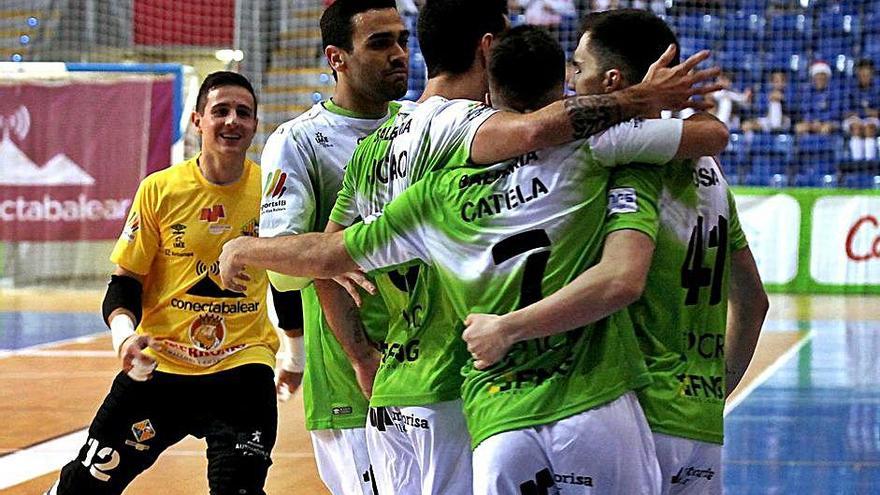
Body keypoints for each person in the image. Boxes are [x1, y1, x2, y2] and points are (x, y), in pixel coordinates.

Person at [218, 18, 730, 495]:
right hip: (590, 398)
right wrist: (648, 99)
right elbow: (711, 136)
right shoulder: (597, 151)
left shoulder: (435, 191)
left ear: (494, 82)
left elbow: (327, 254)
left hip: (464, 403)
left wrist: (246, 247)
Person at [463, 10, 768, 494]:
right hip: (701, 424)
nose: (570, 79)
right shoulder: (710, 171)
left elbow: (620, 279)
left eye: (578, 67)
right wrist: (714, 393)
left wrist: (507, 329)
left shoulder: (616, 157)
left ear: (611, 80)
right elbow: (754, 303)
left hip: (634, 409)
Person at [46, 72, 281, 495]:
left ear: (255, 124)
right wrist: (124, 338)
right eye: (220, 111)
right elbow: (124, 282)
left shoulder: (271, 191)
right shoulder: (160, 189)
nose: (232, 121)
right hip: (160, 368)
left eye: (243, 113)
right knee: (83, 487)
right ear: (197, 121)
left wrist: (295, 354)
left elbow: (285, 276)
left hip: (242, 370)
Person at [258, 1, 409, 493]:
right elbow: (282, 270)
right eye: (380, 43)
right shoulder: (299, 141)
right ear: (336, 58)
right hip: (352, 376)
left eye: (402, 40)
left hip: (433, 364)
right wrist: (330, 252)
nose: (399, 54)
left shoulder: (420, 124)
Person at [844, 59, 879, 161]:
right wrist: (865, 112)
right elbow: (845, 112)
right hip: (853, 120)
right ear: (858, 73)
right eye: (862, 74)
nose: (865, 77)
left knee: (869, 128)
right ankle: (857, 163)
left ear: (872, 73)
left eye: (867, 74)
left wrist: (873, 113)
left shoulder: (877, 88)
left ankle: (870, 163)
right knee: (856, 127)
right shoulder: (850, 88)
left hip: (872, 121)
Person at [795, 61, 840, 135]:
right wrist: (813, 122)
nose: (820, 78)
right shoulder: (807, 91)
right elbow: (805, 110)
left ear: (827, 77)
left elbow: (835, 113)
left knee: (826, 128)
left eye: (823, 75)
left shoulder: (834, 92)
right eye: (817, 75)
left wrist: (822, 121)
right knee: (799, 128)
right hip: (811, 122)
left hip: (830, 122)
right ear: (813, 78)